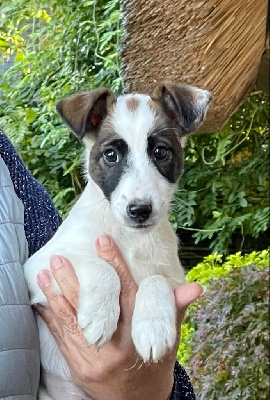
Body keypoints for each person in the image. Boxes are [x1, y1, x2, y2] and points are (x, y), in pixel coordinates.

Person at [0, 128, 202, 399]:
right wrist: (99, 276)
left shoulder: (9, 175)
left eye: (160, 153)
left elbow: (39, 276)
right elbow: (37, 279)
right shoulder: (86, 219)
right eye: (111, 155)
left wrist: (153, 389)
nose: (138, 189)